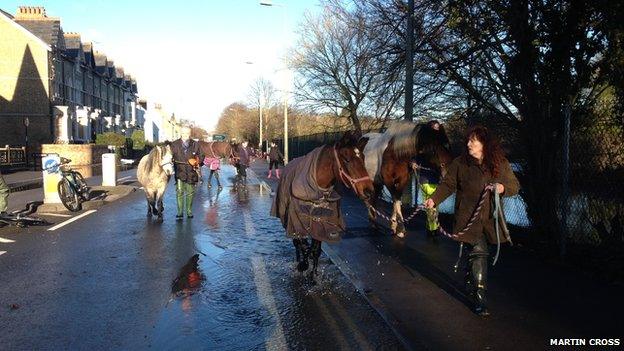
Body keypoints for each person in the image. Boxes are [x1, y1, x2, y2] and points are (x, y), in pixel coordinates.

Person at [424, 125, 520, 316]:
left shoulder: (500, 163)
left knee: (479, 254)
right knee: (479, 253)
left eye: (473, 141)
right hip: (467, 218)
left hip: (491, 220)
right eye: (468, 140)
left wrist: (502, 188)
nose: (468, 144)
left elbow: (514, 186)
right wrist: (433, 199)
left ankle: (471, 279)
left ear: (484, 144)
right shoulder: (460, 163)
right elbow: (448, 185)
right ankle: (479, 298)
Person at [171, 126, 202, 220]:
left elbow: (201, 155)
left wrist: (197, 161)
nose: (186, 135)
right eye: (184, 133)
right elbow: (169, 156)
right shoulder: (174, 144)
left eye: (187, 133)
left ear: (190, 134)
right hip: (179, 170)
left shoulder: (195, 144)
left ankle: (189, 211)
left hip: (191, 171)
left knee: (190, 192)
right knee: (179, 191)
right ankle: (180, 212)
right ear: (181, 133)